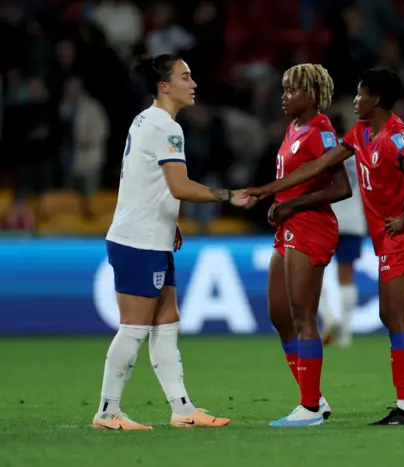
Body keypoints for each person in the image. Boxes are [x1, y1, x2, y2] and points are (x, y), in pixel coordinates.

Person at [245, 68, 404, 426]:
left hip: (382, 233)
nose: (355, 101)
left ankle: (395, 405)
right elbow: (320, 166)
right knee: (282, 314)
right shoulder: (356, 132)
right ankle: (320, 399)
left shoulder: (376, 134)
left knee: (387, 318)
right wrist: (270, 191)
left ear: (374, 99)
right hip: (359, 231)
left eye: (360, 95)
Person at [93, 54, 254, 430]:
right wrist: (228, 196)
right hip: (139, 240)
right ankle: (106, 411)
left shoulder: (145, 119)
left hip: (153, 235)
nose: (193, 83)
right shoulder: (167, 127)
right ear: (165, 86)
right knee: (134, 328)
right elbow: (179, 185)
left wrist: (171, 217)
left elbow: (143, 179)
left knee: (167, 324)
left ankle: (183, 411)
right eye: (185, 77)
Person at [265, 63, 352, 427]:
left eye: (291, 90)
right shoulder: (293, 129)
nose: (284, 96)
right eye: (284, 89)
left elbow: (342, 188)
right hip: (289, 227)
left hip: (311, 227)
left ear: (312, 94)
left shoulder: (322, 132)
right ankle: (313, 396)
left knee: (303, 317)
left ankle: (310, 407)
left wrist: (292, 203)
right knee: (279, 314)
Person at [317, 152, 367, 349]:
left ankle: (328, 317)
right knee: (347, 276)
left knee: (313, 272)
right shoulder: (361, 152)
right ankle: (346, 334)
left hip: (325, 219)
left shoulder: (322, 150)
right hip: (354, 221)